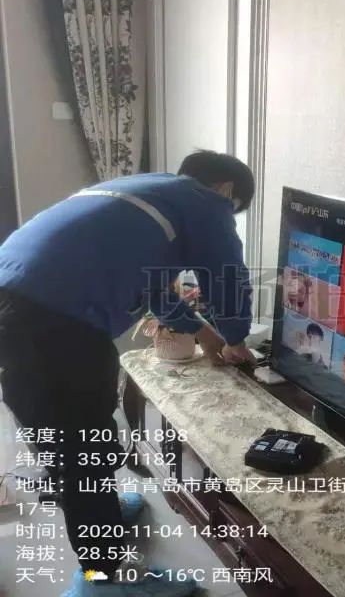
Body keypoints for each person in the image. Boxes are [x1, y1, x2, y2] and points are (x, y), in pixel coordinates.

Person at [0, 151, 256, 596]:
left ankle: (101, 516)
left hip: (15, 301)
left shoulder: (148, 192)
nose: (227, 217)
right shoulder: (206, 203)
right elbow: (228, 280)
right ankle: (105, 577)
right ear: (226, 191)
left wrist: (202, 332)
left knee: (58, 431)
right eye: (233, 210)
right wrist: (236, 340)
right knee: (82, 449)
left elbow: (154, 288)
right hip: (53, 324)